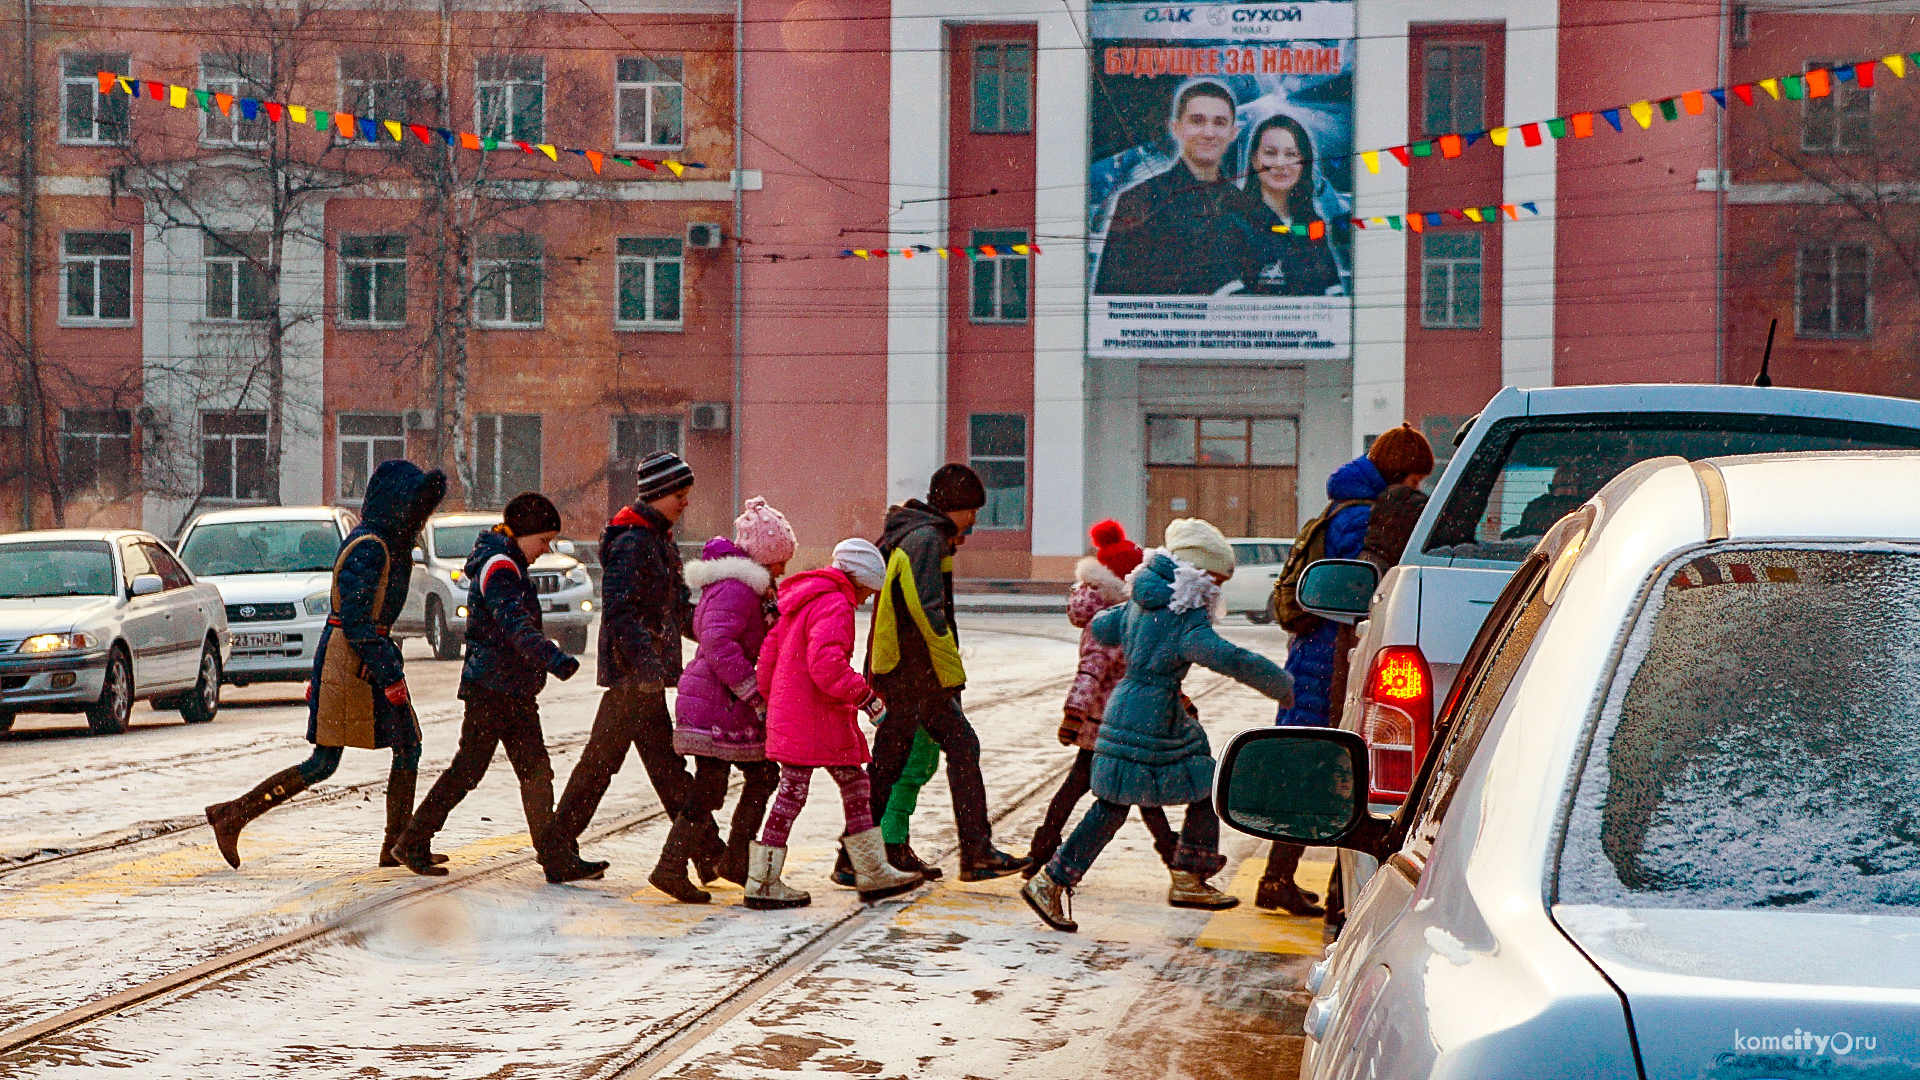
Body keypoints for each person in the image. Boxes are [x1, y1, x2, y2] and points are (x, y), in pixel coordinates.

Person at [1022, 519, 1294, 932]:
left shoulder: (1145, 599)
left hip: (1142, 709)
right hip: (1146, 717)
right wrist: (1285, 687)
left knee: (1195, 785)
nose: (1219, 589)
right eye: (1218, 579)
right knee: (1119, 805)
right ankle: (1053, 880)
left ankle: (1187, 875)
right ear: (1198, 575)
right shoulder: (1183, 617)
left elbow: (1103, 625)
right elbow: (1230, 658)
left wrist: (1137, 633)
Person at [205, 459, 446, 869]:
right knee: (335, 760)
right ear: (398, 505)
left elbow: (357, 619)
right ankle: (233, 816)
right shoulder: (373, 545)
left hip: (359, 657)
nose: (421, 518)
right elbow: (356, 619)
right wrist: (388, 674)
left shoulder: (384, 540)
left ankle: (395, 845)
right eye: (416, 508)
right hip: (356, 661)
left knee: (396, 748)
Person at [1260, 423, 1433, 916]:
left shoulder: (1345, 505)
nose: (1417, 490)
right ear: (1400, 473)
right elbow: (1362, 586)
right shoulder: (1361, 516)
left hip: (1317, 648)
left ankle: (1280, 878)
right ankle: (1317, 889)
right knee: (1331, 767)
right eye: (1416, 480)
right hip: (1332, 654)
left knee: (1319, 767)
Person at [391, 493, 601, 882]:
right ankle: (414, 841)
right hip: (495, 688)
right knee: (493, 770)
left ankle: (417, 840)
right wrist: (554, 658)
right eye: (542, 540)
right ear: (522, 534)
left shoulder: (505, 562)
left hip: (505, 686)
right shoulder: (501, 568)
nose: (545, 549)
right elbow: (515, 627)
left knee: (525, 770)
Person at [551, 451, 717, 879]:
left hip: (641, 679)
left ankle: (709, 853)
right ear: (658, 494)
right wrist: (646, 671)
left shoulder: (656, 538)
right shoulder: (633, 541)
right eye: (679, 494)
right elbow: (623, 614)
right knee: (634, 767)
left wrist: (714, 636)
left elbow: (677, 607)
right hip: (633, 681)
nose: (685, 503)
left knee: (646, 767)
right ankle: (710, 854)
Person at [864, 464, 1026, 882]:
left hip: (909, 671)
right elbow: (928, 613)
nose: (974, 520)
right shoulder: (926, 539)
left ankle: (875, 853)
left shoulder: (917, 534)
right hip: (914, 673)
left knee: (900, 761)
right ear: (956, 505)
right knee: (908, 759)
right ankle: (971, 852)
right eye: (972, 510)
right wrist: (951, 673)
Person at [746, 540, 923, 909]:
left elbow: (769, 656)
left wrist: (771, 701)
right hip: (814, 714)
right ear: (858, 580)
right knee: (798, 792)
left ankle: (868, 871)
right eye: (867, 591)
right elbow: (826, 666)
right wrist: (866, 697)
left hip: (798, 712)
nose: (865, 600)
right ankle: (765, 881)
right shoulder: (836, 604)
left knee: (850, 784)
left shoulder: (803, 600)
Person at [1022, 520, 1182, 884]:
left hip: (1113, 723)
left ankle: (1042, 850)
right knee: (1138, 791)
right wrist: (1073, 715)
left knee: (1097, 787)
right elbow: (1089, 673)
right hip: (1109, 725)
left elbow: (1145, 671)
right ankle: (1177, 858)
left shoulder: (1123, 618)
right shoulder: (1110, 623)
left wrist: (1179, 701)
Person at [660, 498, 795, 902]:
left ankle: (733, 857)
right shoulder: (737, 589)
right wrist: (752, 689)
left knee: (758, 776)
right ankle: (673, 865)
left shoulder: (743, 588)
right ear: (761, 559)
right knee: (713, 787)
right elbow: (718, 642)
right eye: (778, 563)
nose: (783, 571)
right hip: (718, 702)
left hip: (722, 703)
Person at [1093, 81, 1250, 296]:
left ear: (1233, 133)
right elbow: (1112, 300)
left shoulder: (1247, 206)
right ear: (1176, 128)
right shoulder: (1139, 200)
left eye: (1220, 123)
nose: (1209, 132)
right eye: (1197, 121)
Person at [1230, 114, 1343, 297]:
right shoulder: (1234, 222)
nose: (1280, 164)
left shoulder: (1313, 225)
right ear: (1253, 159)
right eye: (1270, 153)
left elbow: (1332, 290)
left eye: (1291, 154)